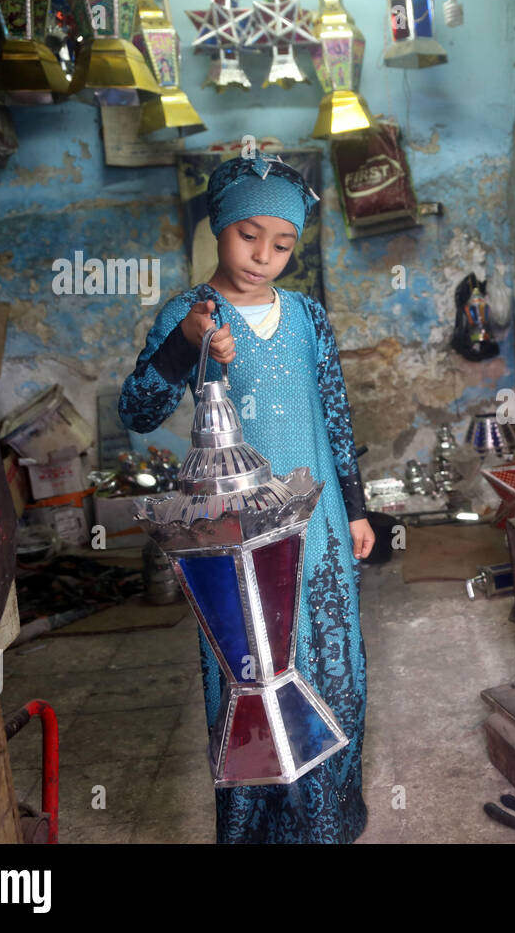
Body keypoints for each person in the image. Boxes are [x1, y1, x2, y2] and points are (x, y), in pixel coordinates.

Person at [120, 154, 375, 843]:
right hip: (235, 543)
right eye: (247, 236)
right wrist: (184, 344)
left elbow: (336, 414)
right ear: (218, 228)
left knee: (335, 674)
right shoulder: (193, 312)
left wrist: (354, 508)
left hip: (316, 530)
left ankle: (329, 823)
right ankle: (257, 832)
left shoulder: (308, 318)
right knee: (251, 677)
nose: (263, 257)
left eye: (283, 244)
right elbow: (138, 410)